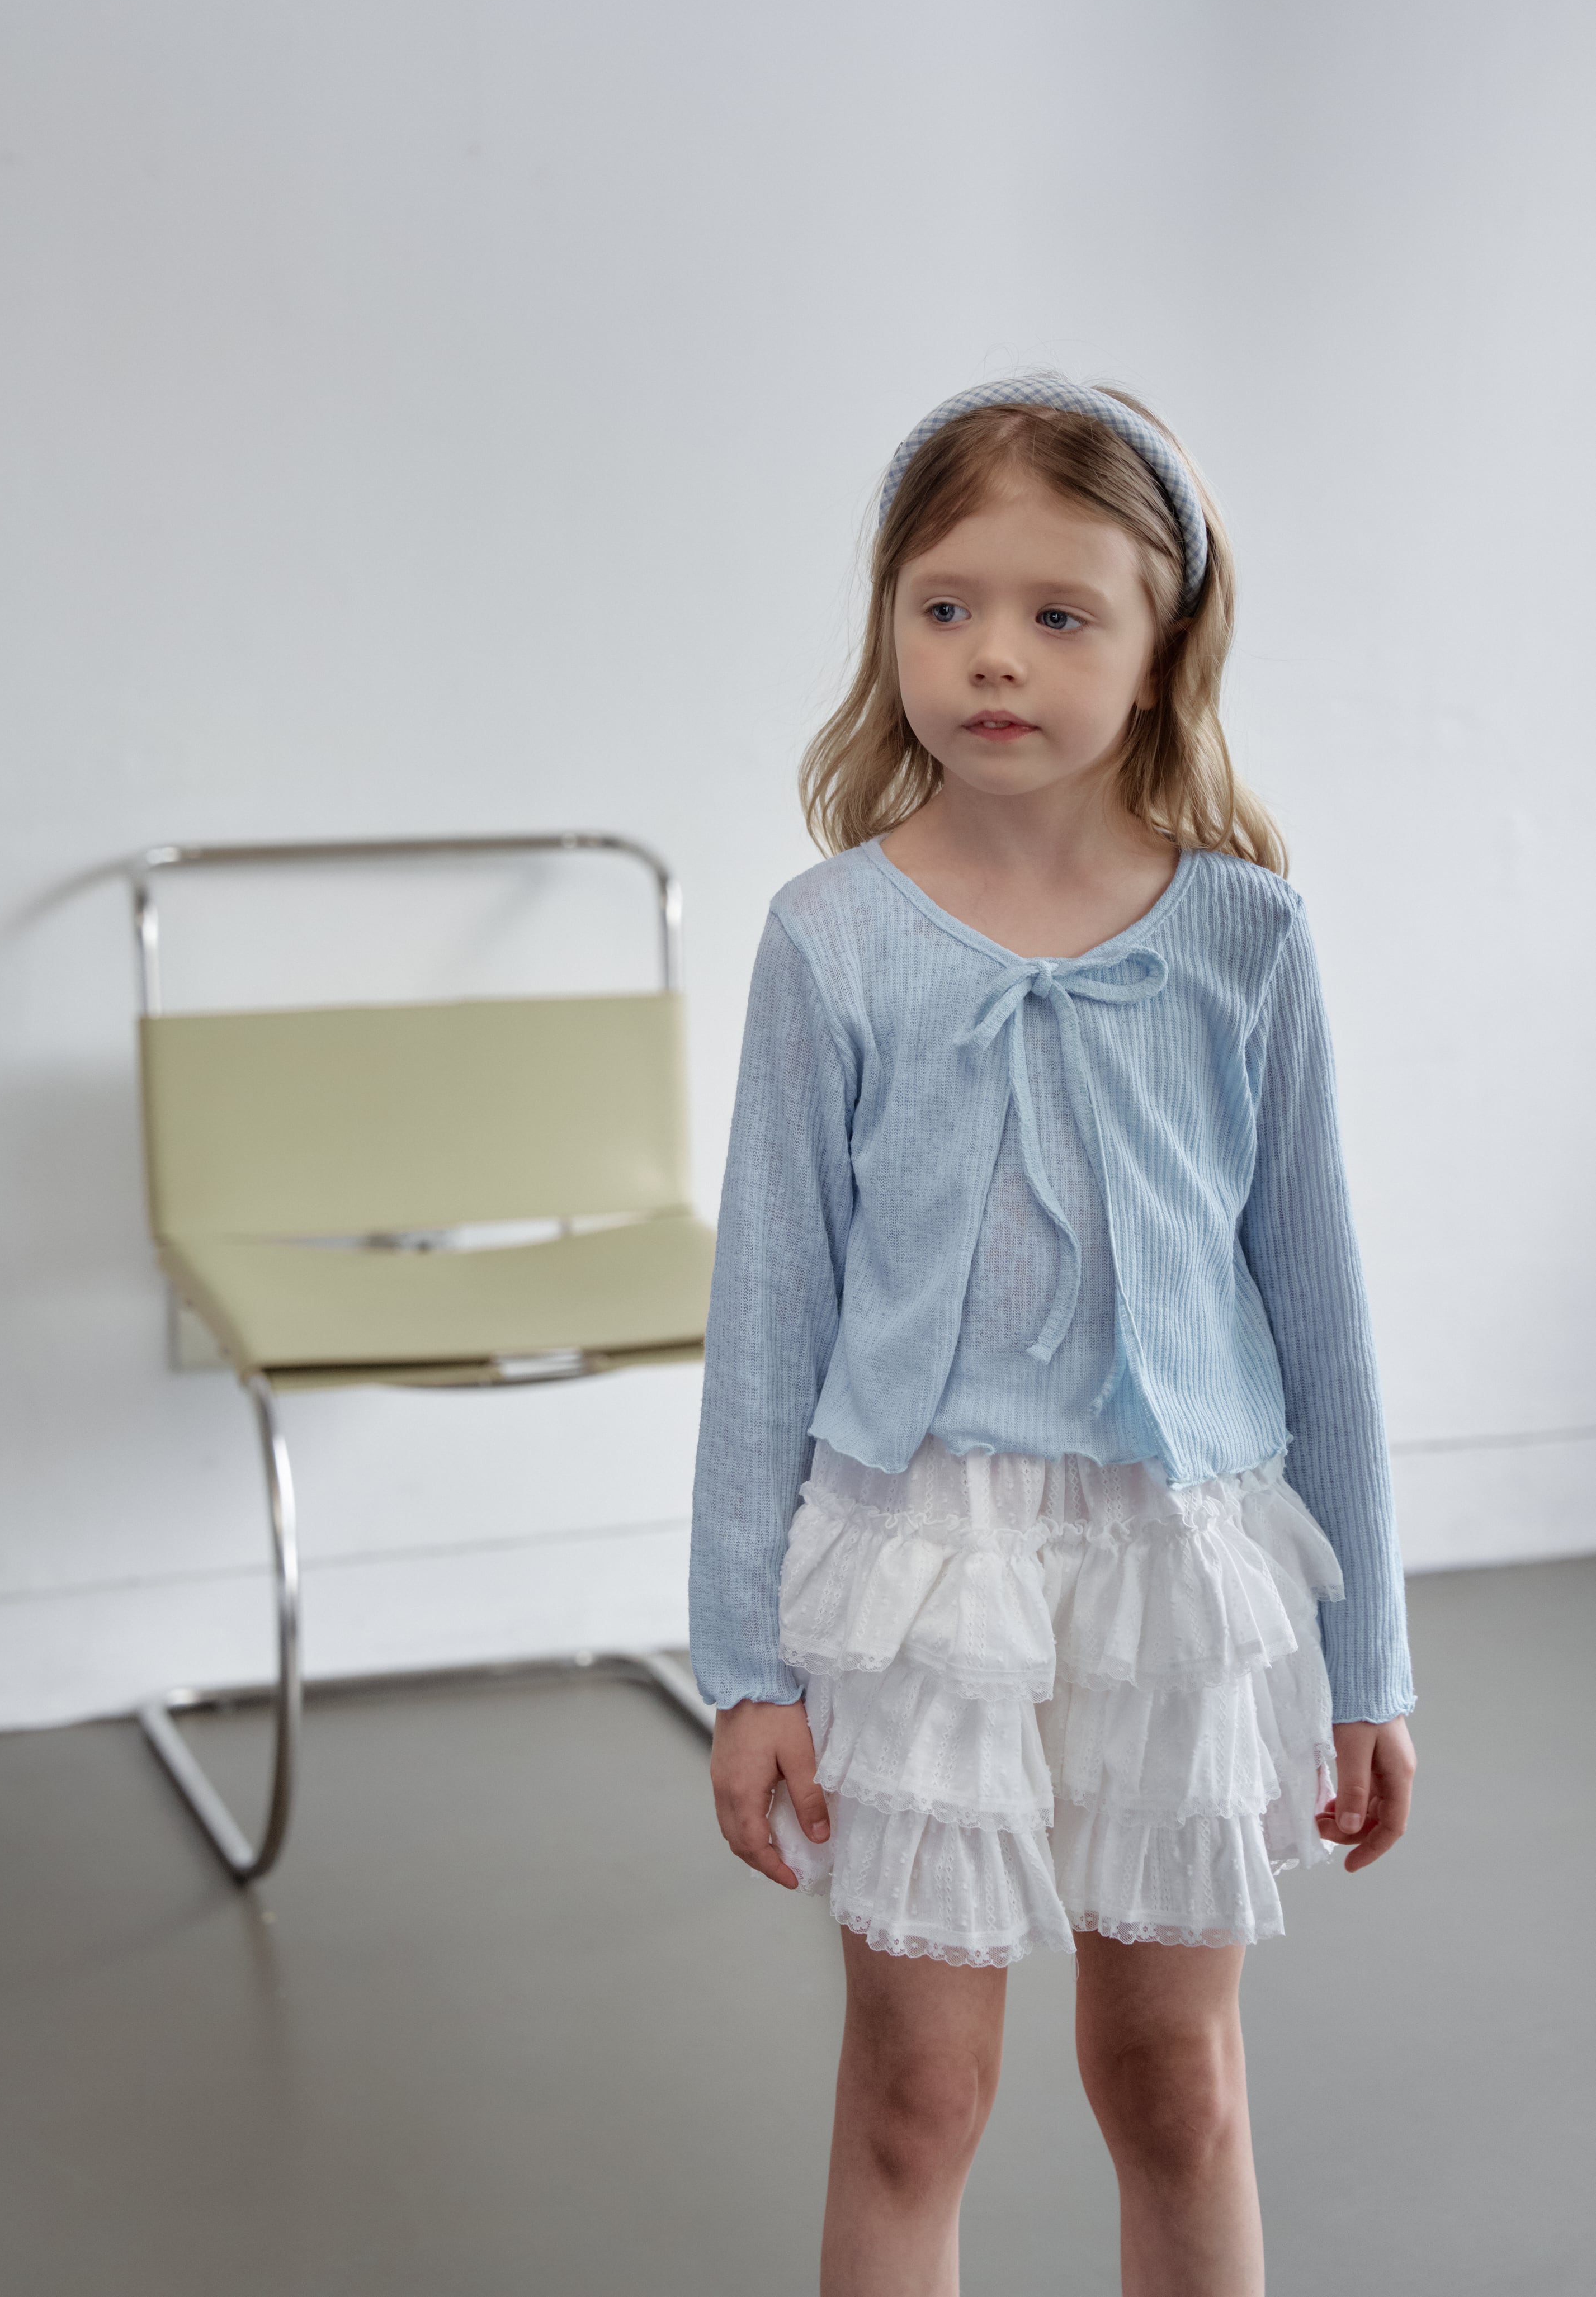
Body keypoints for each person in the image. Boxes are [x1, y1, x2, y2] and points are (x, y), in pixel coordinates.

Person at [688, 376, 1416, 2297]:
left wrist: (1368, 1660)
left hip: (1182, 1564)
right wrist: (744, 1663)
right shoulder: (829, 939)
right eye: (943, 606)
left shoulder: (1247, 939)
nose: (990, 656)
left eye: (1056, 613)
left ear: (1162, 642)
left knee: (1173, 2083)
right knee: (913, 2095)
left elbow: (1320, 1312)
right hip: (918, 1569)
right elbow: (765, 1314)